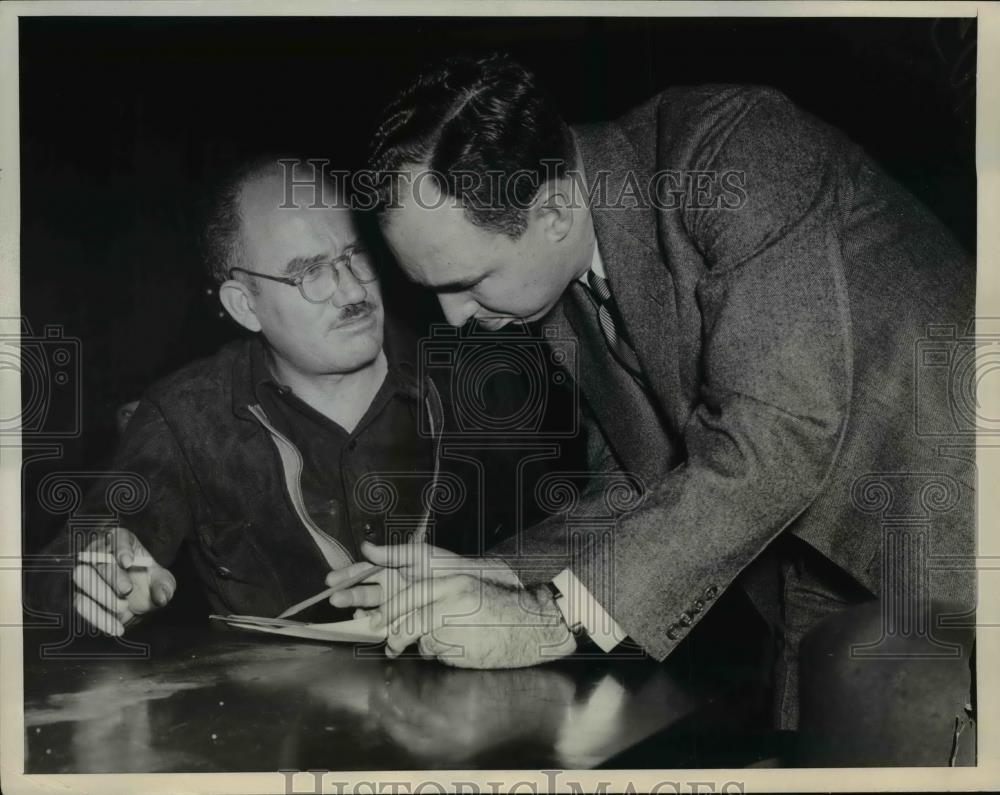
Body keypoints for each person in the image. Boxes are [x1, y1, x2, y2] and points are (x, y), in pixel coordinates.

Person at [332, 54, 976, 737]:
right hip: (825, 582)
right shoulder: (554, 281)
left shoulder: (736, 149)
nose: (453, 317)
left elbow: (775, 440)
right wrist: (491, 574)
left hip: (960, 531)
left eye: (467, 281)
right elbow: (638, 483)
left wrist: (548, 620)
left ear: (551, 210)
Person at [24, 158, 462, 635]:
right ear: (245, 306)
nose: (352, 290)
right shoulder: (187, 417)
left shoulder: (463, 372)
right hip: (278, 705)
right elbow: (49, 575)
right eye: (311, 273)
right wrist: (104, 574)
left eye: (356, 256)